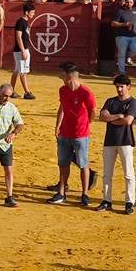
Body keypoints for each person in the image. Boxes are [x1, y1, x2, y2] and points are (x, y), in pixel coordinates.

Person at [48, 62, 96, 206]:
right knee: (63, 163)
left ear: (68, 75)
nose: (59, 74)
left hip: (81, 134)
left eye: (61, 72)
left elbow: (93, 111)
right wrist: (57, 125)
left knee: (83, 164)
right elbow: (61, 108)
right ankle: (62, 192)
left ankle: (85, 193)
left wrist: (87, 124)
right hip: (65, 132)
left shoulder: (85, 92)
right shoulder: (62, 90)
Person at [96, 75, 136, 215]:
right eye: (117, 87)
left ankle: (129, 202)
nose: (119, 89)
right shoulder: (110, 101)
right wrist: (118, 116)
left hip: (126, 141)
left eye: (122, 87)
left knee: (128, 174)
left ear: (128, 87)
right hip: (110, 141)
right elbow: (102, 116)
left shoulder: (133, 102)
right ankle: (106, 200)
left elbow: (128, 121)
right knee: (107, 173)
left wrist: (111, 119)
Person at [10, 3, 36, 100]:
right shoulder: (21, 22)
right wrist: (23, 51)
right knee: (23, 72)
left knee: (17, 71)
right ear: (26, 12)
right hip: (21, 50)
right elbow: (18, 36)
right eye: (32, 12)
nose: (33, 14)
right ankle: (27, 92)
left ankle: (11, 91)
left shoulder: (24, 21)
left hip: (21, 49)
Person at [112, 0, 136, 75]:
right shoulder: (120, 11)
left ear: (133, 3)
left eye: (131, 2)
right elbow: (113, 23)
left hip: (133, 35)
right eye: (127, 2)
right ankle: (122, 72)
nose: (129, 4)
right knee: (121, 54)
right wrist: (124, 24)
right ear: (125, 2)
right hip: (121, 35)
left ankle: (128, 56)